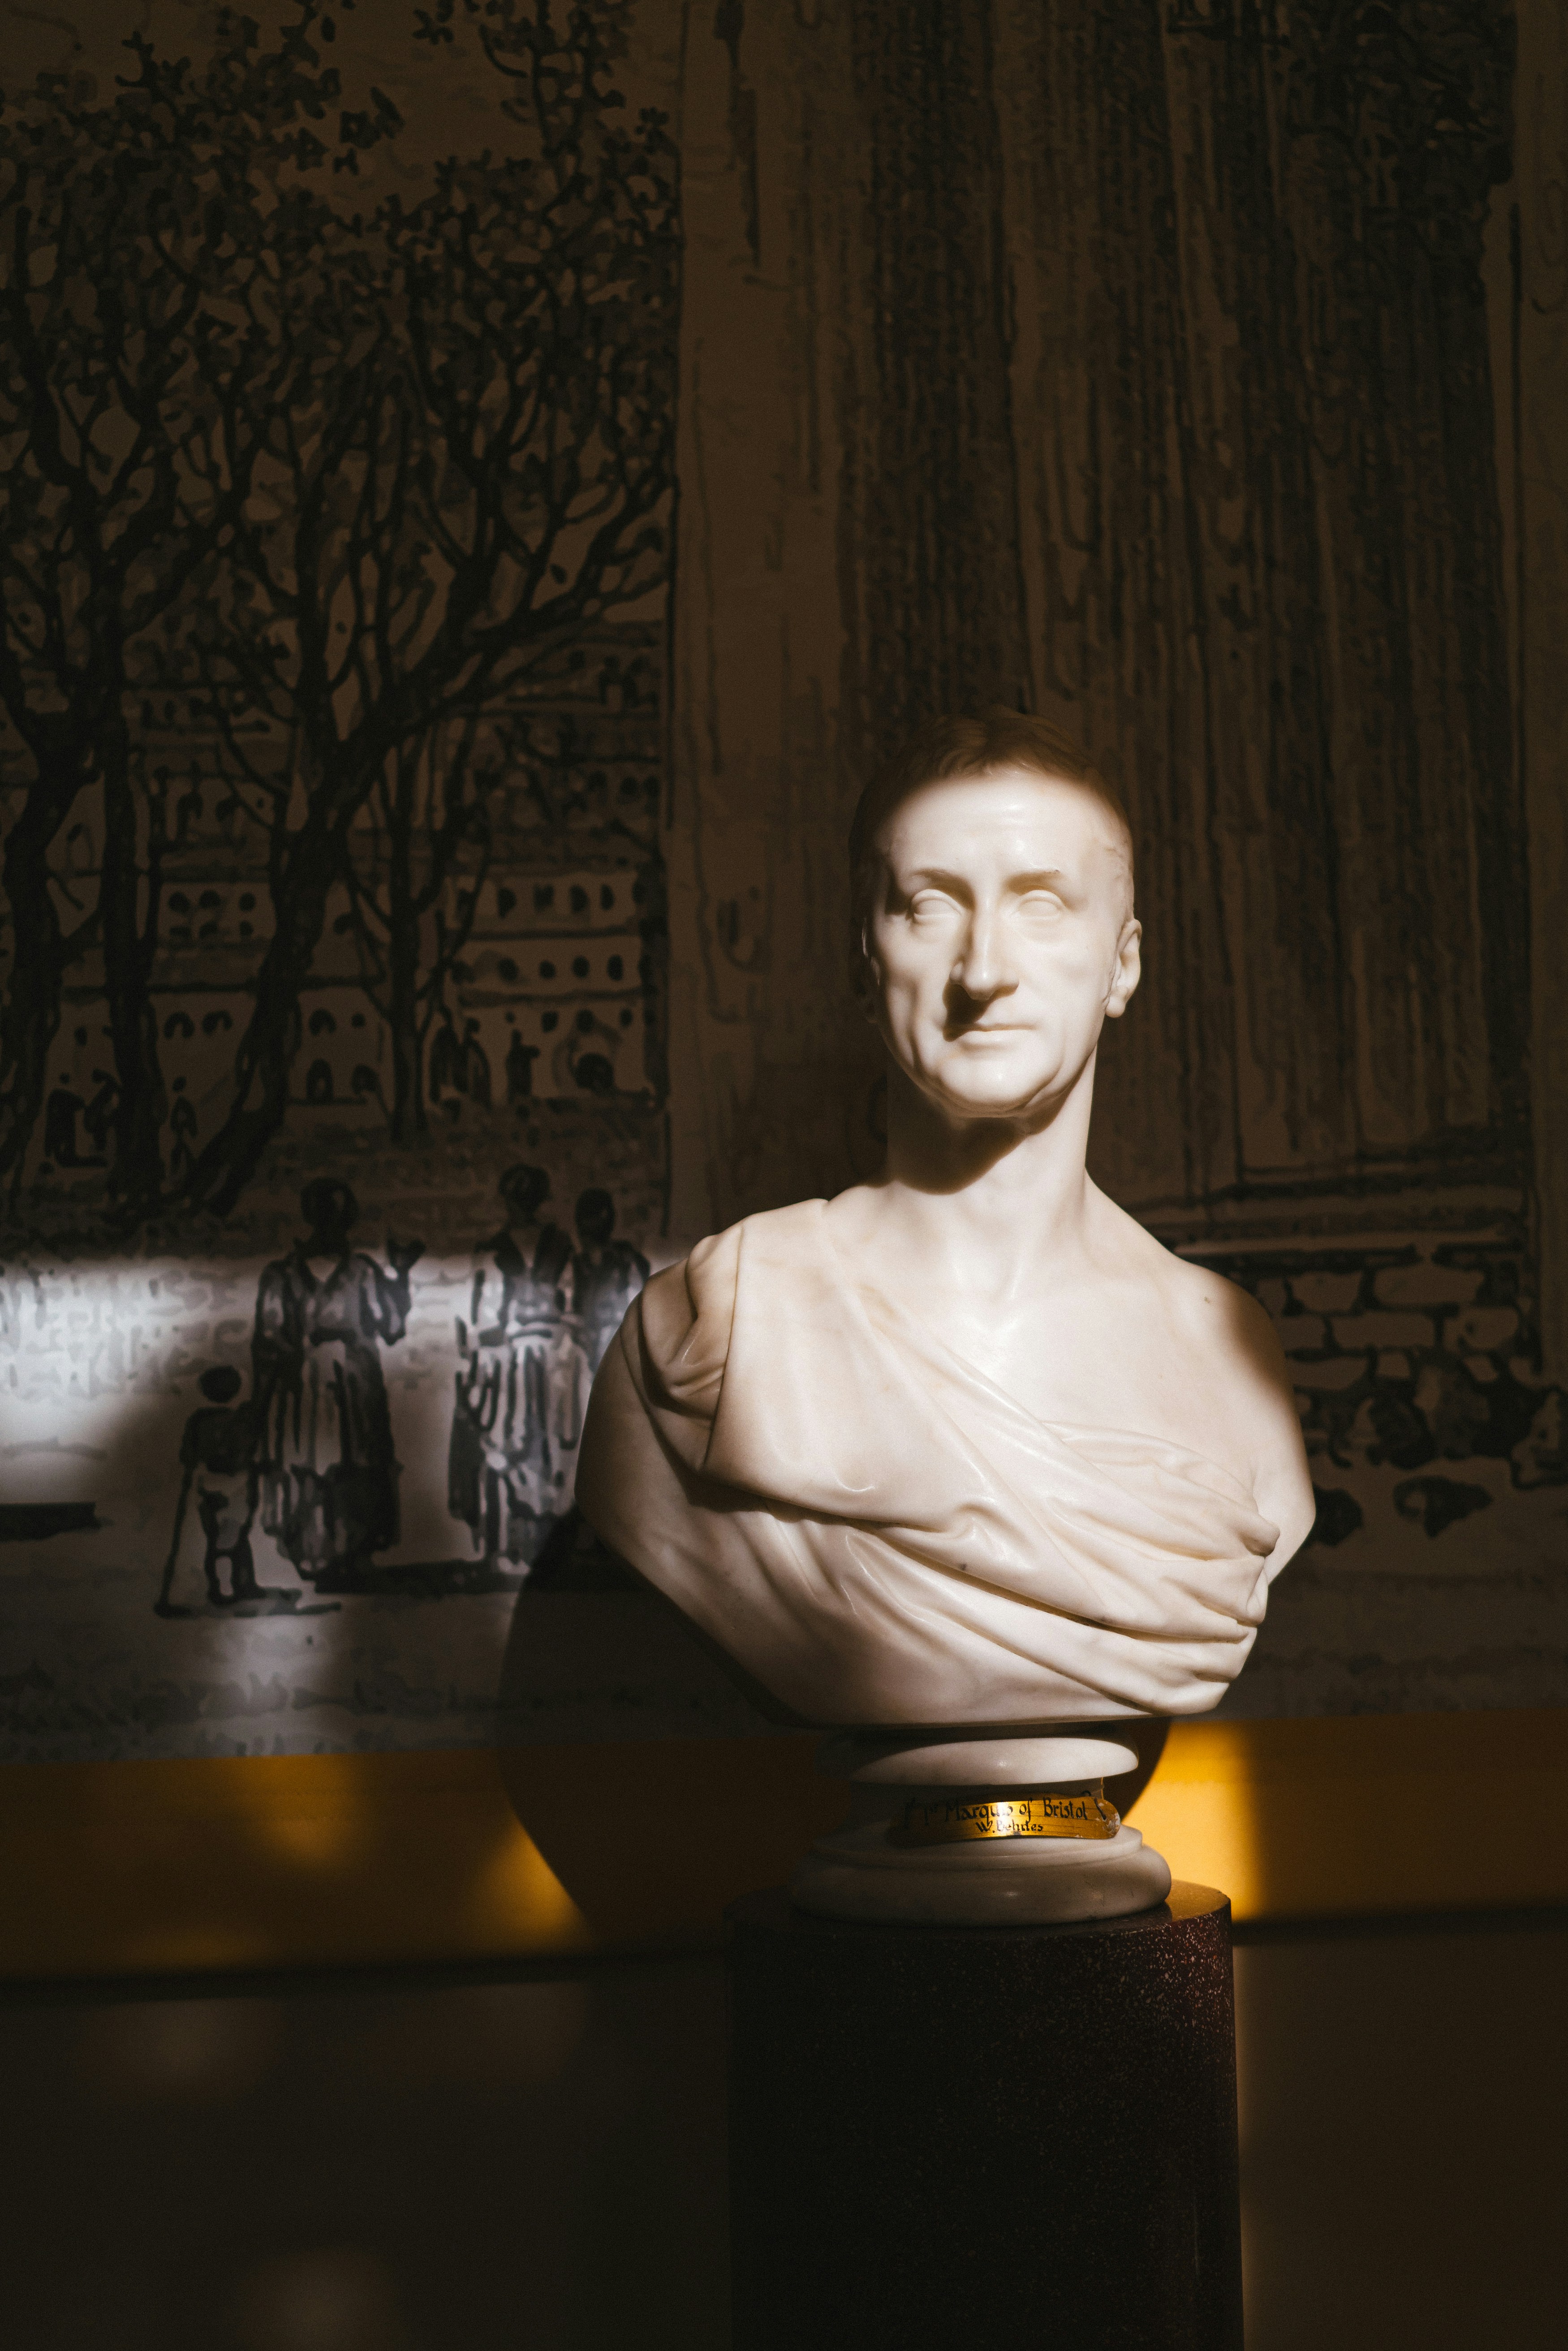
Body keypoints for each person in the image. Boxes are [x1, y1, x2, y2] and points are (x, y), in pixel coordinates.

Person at [577, 708, 1315, 1730]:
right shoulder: (712, 1333)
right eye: (928, 907)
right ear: (862, 958)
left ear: (1125, 964)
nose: (982, 970)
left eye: (1043, 905)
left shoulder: (1224, 1360)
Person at [252, 1179, 423, 1591]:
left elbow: (393, 1328)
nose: (330, 1224)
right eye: (323, 1214)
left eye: (337, 1216)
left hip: (356, 1384)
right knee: (308, 1461)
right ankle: (313, 1550)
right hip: (306, 1387)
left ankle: (353, 1550)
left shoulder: (363, 1271)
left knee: (357, 1463)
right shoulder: (283, 1274)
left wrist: (399, 1277)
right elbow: (270, 1336)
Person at [448, 1164, 579, 1572]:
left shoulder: (559, 1246)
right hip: (503, 1362)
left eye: (525, 1198)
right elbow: (476, 1313)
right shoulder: (490, 1248)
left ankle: (543, 1548)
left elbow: (571, 1302)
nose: (518, 1206)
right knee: (502, 1447)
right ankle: (498, 1546)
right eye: (513, 1198)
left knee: (550, 1450)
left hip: (551, 1360)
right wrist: (483, 1356)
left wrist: (560, 1336)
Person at [156, 1366, 263, 1611]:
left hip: (209, 1485)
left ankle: (241, 1583)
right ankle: (226, 1587)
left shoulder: (198, 1420)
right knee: (231, 1537)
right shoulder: (241, 1420)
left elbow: (187, 1456)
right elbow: (247, 1453)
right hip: (236, 1484)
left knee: (221, 1536)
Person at [570, 1189, 650, 1376]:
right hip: (590, 1348)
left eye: (589, 1221)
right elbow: (577, 1310)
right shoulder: (579, 1264)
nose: (583, 1229)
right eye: (582, 1223)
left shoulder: (627, 1258)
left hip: (617, 1342)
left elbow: (640, 1302)